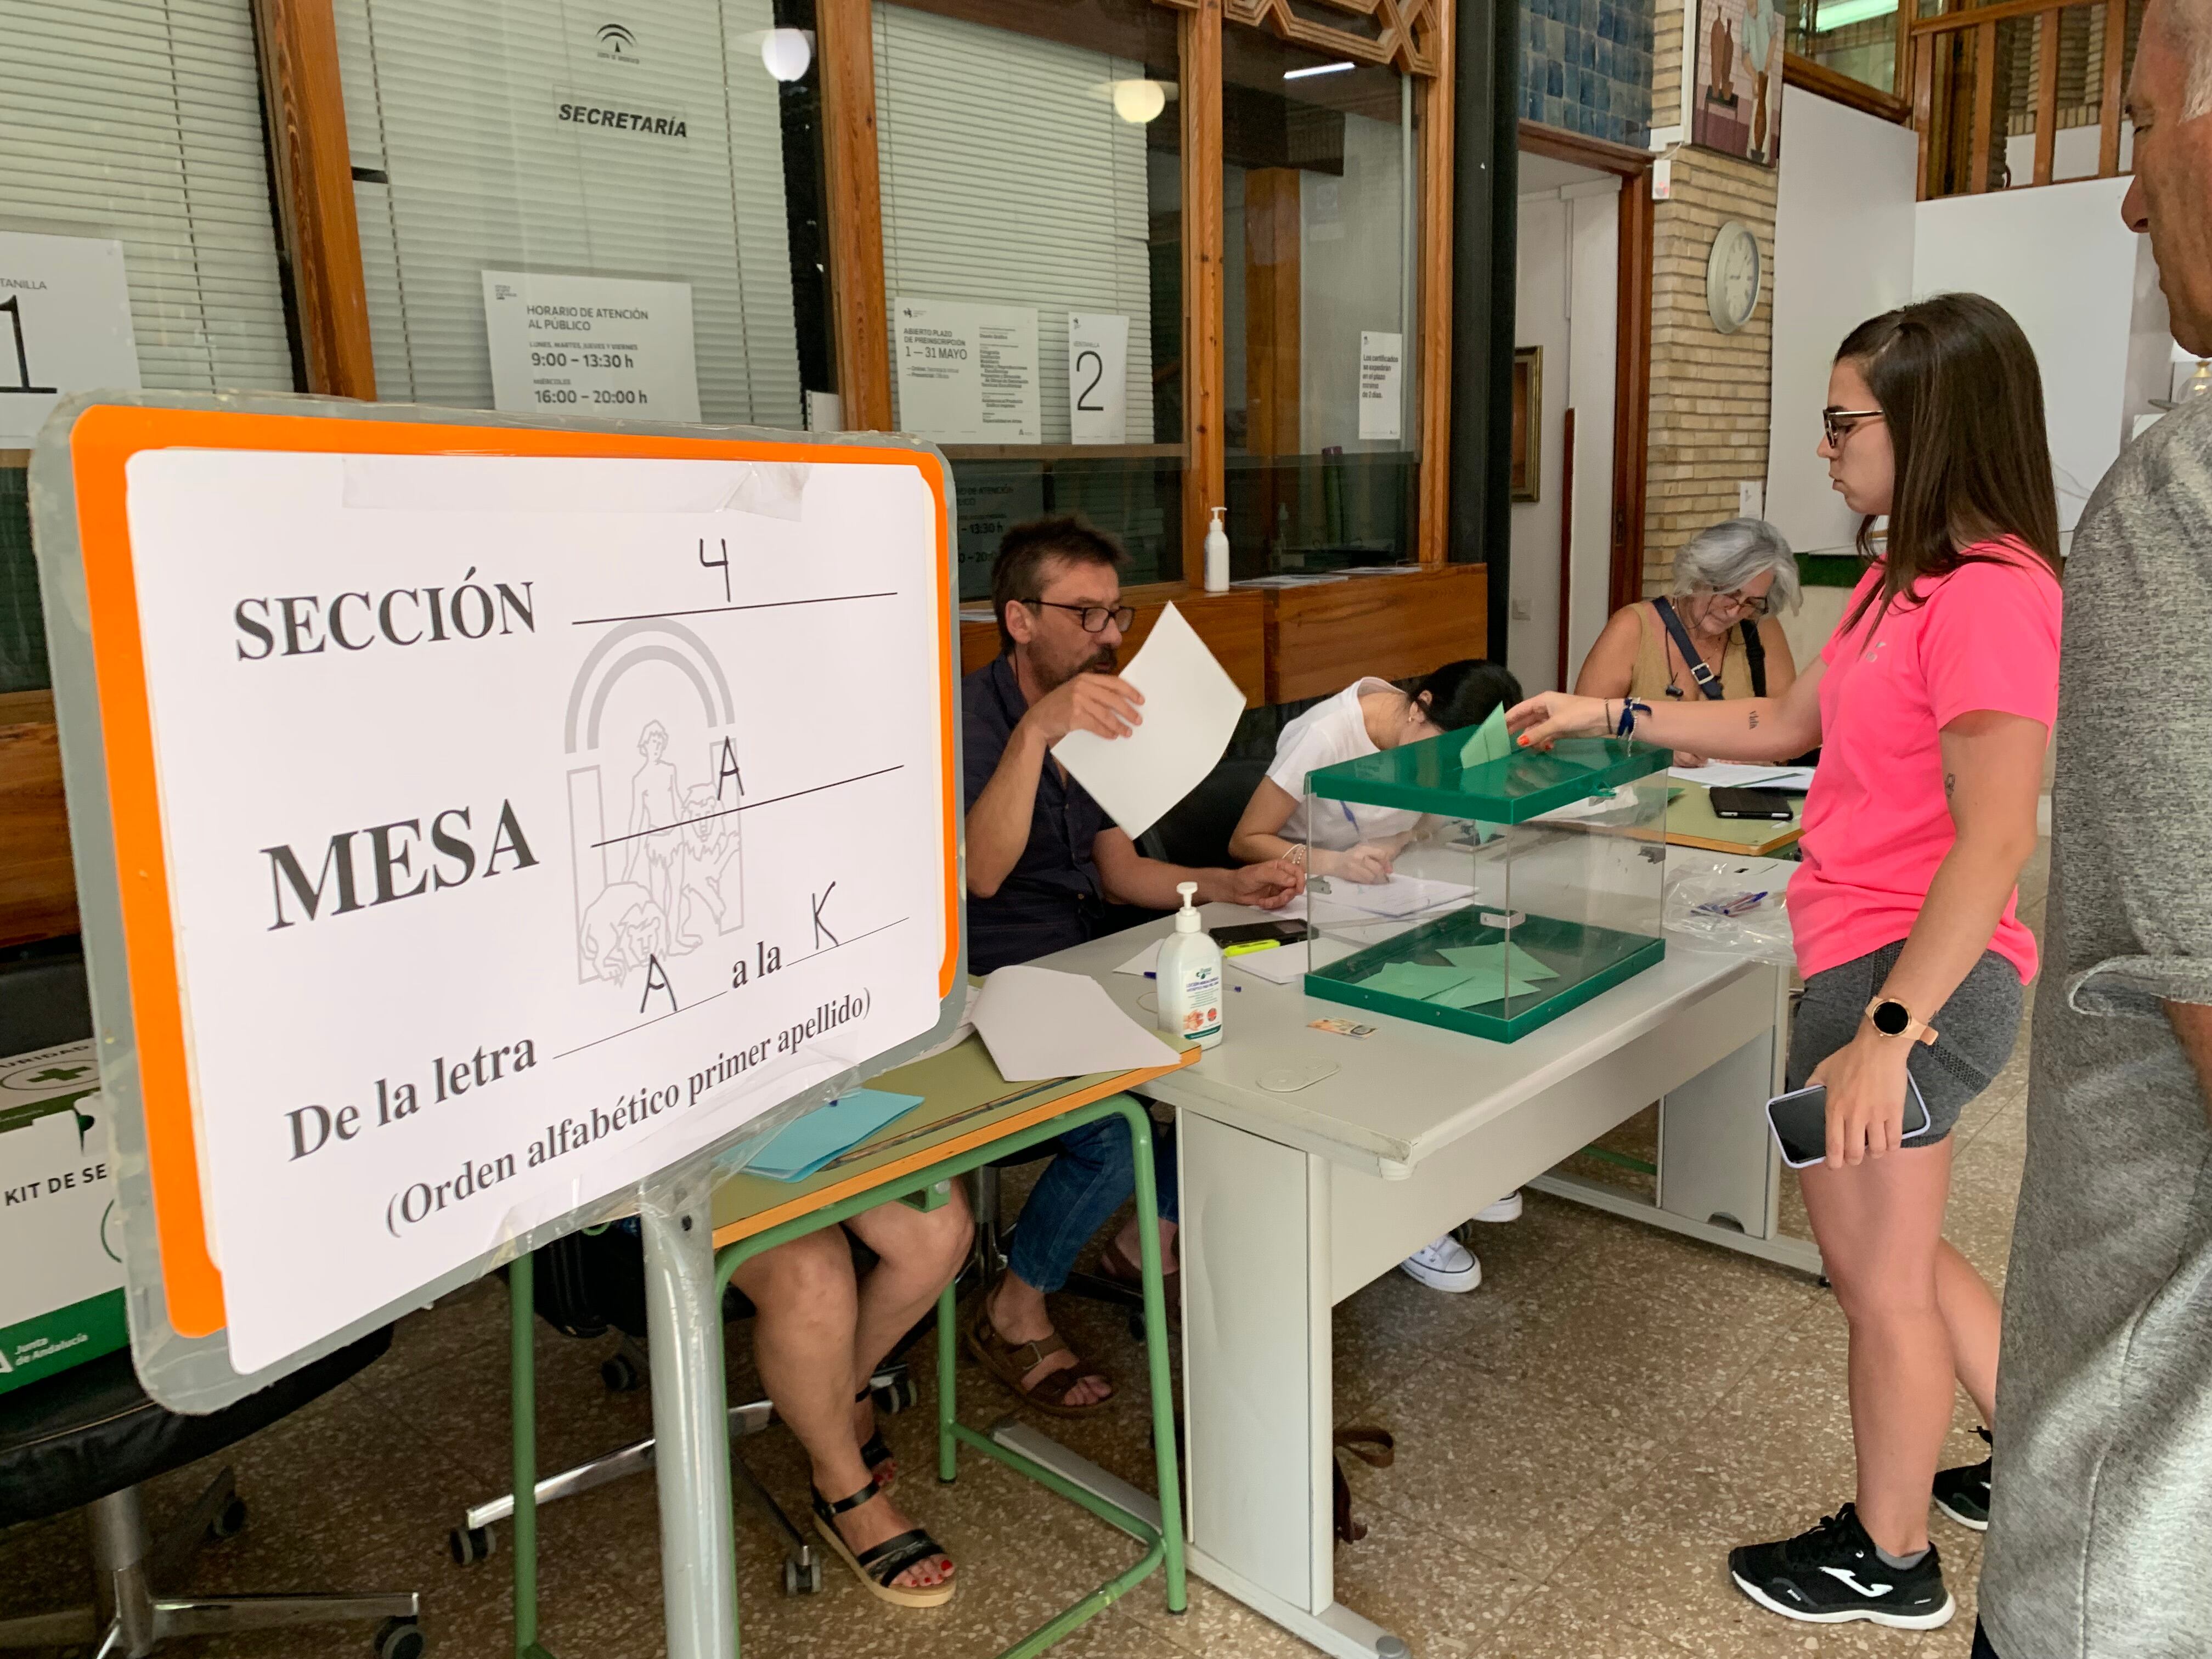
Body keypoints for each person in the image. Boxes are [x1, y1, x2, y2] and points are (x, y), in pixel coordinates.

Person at [1510, 292, 2062, 1632]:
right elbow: (1777, 722)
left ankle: (1892, 1556)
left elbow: (1992, 845)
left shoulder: (1994, 595)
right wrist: (1607, 709)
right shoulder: (1890, 581)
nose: (1824, 447)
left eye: (1841, 420)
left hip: (1913, 970)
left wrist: (1885, 1031)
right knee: (1909, 1260)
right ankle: (2049, 1468)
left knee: (1874, 1282)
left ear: (1926, 419)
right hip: (1865, 947)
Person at [1975, 6, 2212, 1654]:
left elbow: (1995, 826)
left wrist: (1902, 1023)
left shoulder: (2152, 522)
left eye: (2138, 124)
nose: (2126, 200)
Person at [962, 516, 1301, 1413]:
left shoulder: (1097, 712)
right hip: (995, 980)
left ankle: (1140, 1242)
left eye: (1118, 615)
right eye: (1089, 614)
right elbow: (981, 871)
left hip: (1096, 959)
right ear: (1020, 618)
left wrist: (1233, 883)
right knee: (1116, 1128)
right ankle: (1014, 1302)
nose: (1112, 638)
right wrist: (1035, 732)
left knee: (1232, 1047)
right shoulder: (970, 717)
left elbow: (1117, 867)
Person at [1227, 658, 1529, 1292]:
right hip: (1310, 904)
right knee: (1393, 1045)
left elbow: (1420, 813)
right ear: (1420, 706)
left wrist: (1409, 839)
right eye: (1442, 750)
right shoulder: (1328, 736)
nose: (1443, 765)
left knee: (1464, 1014)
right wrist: (1336, 860)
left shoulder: (1430, 726)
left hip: (1391, 896)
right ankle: (1408, 1218)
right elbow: (1247, 839)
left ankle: (1461, 1173)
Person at [732, 1193, 974, 1605]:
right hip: (667, 1171)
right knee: (812, 1275)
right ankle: (841, 1484)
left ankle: (845, 1388)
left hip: (785, 1140)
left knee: (938, 1229)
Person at [1573, 516, 1801, 766]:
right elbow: (1583, 732)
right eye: (1729, 593)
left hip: (1735, 799)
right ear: (1698, 574)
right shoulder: (1632, 627)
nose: (1735, 612)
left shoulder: (1762, 631)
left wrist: (1760, 755)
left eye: (1752, 603)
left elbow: (1790, 732)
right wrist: (1655, 753)